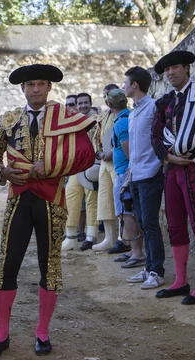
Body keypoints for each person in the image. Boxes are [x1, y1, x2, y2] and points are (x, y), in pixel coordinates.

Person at [0, 64, 96, 357]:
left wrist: (52, 167)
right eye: (30, 84)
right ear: (23, 88)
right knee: (8, 264)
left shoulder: (66, 118)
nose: (35, 89)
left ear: (49, 88)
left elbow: (86, 153)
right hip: (19, 199)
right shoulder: (9, 120)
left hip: (51, 199)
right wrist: (3, 173)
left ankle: (42, 332)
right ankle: (2, 333)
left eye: (41, 84)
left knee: (50, 265)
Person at [151, 51, 195, 303]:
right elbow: (155, 136)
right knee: (174, 223)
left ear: (187, 68)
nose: (170, 73)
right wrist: (169, 157)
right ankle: (181, 281)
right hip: (173, 169)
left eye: (175, 68)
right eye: (167, 70)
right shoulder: (165, 102)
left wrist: (193, 151)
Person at [120, 66, 166, 290]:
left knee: (150, 224)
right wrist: (129, 177)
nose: (123, 86)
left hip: (151, 174)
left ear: (135, 85)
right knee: (144, 223)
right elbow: (136, 150)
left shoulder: (153, 108)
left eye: (125, 82)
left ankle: (157, 272)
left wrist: (157, 165)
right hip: (136, 176)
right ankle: (149, 268)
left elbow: (160, 138)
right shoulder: (134, 112)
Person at [104, 89, 145, 269]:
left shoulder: (120, 123)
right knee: (130, 211)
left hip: (124, 172)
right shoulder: (129, 116)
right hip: (127, 171)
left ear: (108, 104)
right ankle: (134, 249)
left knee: (125, 212)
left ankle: (137, 252)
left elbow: (129, 153)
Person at [61, 92, 99, 251]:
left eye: (85, 103)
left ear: (90, 103)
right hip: (76, 166)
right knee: (71, 196)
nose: (83, 106)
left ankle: (91, 236)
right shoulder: (72, 121)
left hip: (92, 165)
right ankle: (70, 237)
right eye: (80, 103)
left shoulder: (97, 121)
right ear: (76, 105)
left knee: (91, 200)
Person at [92, 84, 120, 252]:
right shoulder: (103, 116)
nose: (106, 98)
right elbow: (96, 138)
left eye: (109, 95)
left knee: (121, 200)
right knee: (105, 200)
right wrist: (100, 154)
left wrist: (112, 154)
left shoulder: (125, 114)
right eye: (104, 96)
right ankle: (109, 238)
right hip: (104, 162)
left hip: (118, 162)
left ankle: (123, 238)